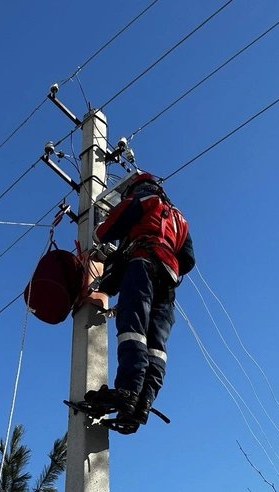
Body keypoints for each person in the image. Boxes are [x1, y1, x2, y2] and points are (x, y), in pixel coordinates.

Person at [90, 171, 195, 433]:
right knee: (156, 344)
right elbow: (189, 260)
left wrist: (102, 234)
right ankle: (144, 400)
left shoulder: (144, 199)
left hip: (143, 265)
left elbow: (105, 230)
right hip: (169, 279)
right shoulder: (179, 218)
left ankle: (127, 391)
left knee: (132, 328)